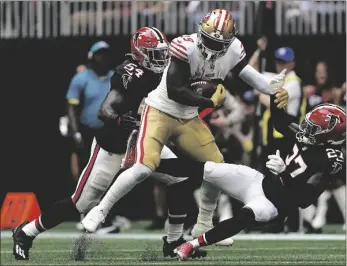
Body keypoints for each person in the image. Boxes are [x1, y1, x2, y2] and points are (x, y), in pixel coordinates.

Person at [81, 8, 289, 247]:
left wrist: (273, 89)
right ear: (201, 32)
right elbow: (175, 90)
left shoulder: (233, 49)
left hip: (188, 118)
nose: (211, 47)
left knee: (217, 168)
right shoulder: (185, 46)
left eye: (217, 42)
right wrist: (210, 102)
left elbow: (252, 77)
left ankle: (203, 223)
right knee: (143, 167)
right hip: (160, 111)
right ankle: (101, 211)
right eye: (208, 40)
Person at [12, 27, 205, 260]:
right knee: (81, 203)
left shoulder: (165, 72)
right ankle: (25, 232)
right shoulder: (130, 73)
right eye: (155, 54)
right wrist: (121, 119)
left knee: (180, 179)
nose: (161, 59)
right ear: (140, 55)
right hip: (113, 147)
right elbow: (104, 111)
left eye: (162, 53)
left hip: (143, 142)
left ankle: (173, 241)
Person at [174, 93, 346, 261]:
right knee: (207, 169)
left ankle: (191, 245)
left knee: (242, 218)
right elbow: (280, 122)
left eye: (313, 129)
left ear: (329, 136)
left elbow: (303, 199)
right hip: (260, 182)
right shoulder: (310, 138)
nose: (306, 130)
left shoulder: (331, 160)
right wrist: (274, 95)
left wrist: (284, 174)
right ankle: (155, 166)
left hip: (274, 205)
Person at [66, 41, 113, 175]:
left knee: (107, 169)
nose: (103, 58)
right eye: (99, 54)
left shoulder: (116, 78)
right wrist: (75, 133)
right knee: (85, 167)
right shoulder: (81, 79)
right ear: (92, 57)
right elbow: (71, 107)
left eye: (106, 54)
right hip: (87, 131)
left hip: (109, 131)